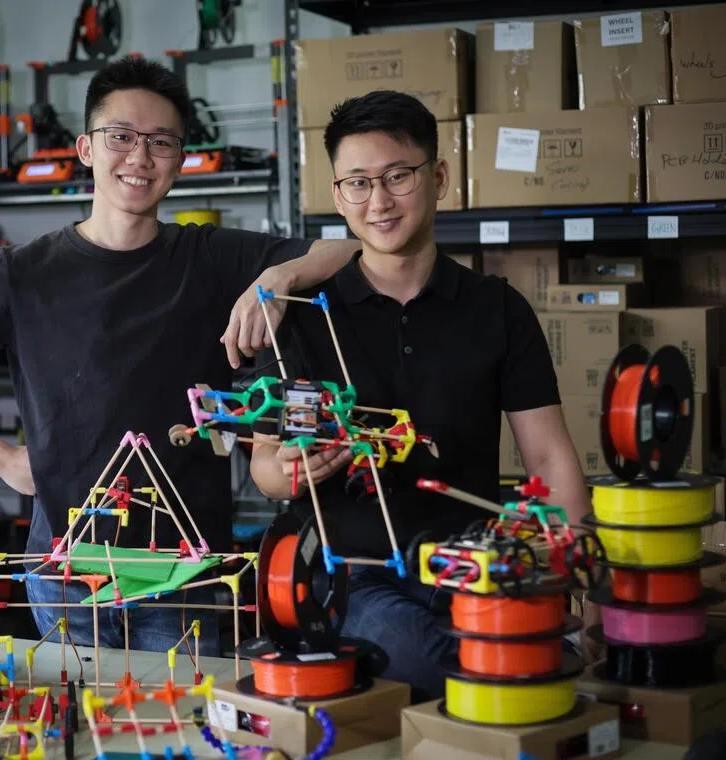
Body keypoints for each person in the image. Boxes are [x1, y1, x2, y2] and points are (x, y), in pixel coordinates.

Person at [0, 57, 357, 656]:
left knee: (182, 739)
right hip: (66, 574)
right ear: (85, 148)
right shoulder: (21, 273)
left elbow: (349, 250)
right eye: (121, 137)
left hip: (187, 574)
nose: (139, 156)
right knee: (77, 735)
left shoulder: (211, 257)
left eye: (160, 142)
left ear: (181, 160)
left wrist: (279, 276)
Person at [248, 90, 592, 701]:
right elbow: (265, 468)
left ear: (438, 178)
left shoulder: (497, 308)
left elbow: (549, 459)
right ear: (337, 196)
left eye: (397, 176)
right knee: (440, 663)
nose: (378, 201)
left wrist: (571, 573)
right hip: (350, 574)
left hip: (471, 561)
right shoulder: (302, 318)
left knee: (547, 653)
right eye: (357, 182)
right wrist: (292, 470)